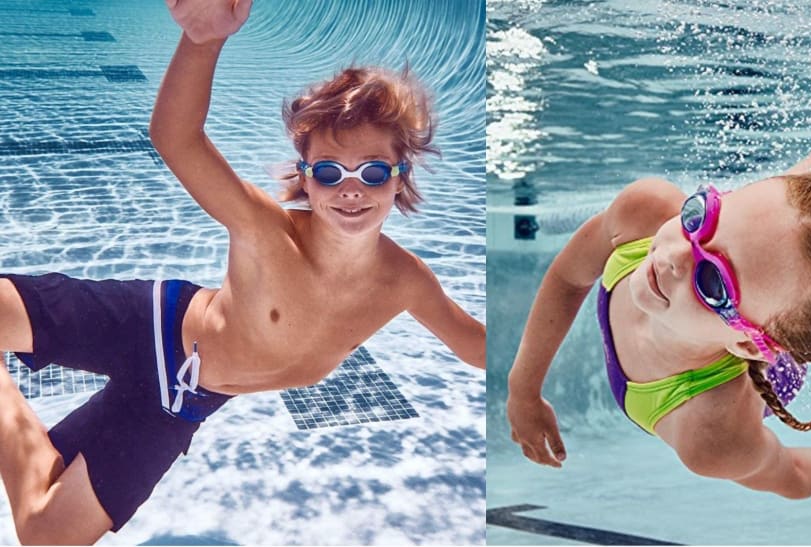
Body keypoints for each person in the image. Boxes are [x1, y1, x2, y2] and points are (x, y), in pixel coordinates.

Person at [0, 0, 485, 543]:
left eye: (372, 173)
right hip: (149, 325)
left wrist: (532, 376)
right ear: (306, 177)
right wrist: (203, 40)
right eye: (329, 172)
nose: (351, 189)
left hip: (179, 404)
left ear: (400, 177)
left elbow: (475, 343)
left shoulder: (404, 281)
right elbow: (176, 138)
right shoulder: (266, 231)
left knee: (46, 535)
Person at [507, 33, 811, 498]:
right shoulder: (646, 214)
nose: (675, 255)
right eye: (699, 218)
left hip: (774, 356)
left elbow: (793, 474)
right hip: (761, 310)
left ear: (747, 342)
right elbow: (567, 278)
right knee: (804, 190)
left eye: (712, 281)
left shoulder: (715, 435)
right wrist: (523, 389)